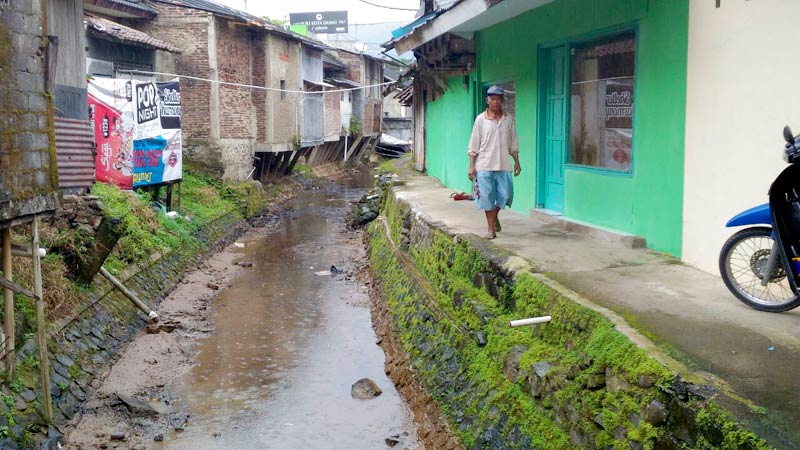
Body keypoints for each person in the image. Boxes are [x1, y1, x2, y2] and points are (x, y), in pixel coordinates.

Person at [467, 85, 521, 239]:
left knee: (506, 195)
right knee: (487, 197)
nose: (495, 102)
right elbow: (474, 144)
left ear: (502, 100)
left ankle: (494, 215)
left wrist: (516, 161)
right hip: (484, 165)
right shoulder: (480, 120)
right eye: (492, 99)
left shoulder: (508, 119)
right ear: (487, 100)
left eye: (498, 99)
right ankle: (490, 228)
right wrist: (471, 166)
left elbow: (513, 142)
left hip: (503, 164)